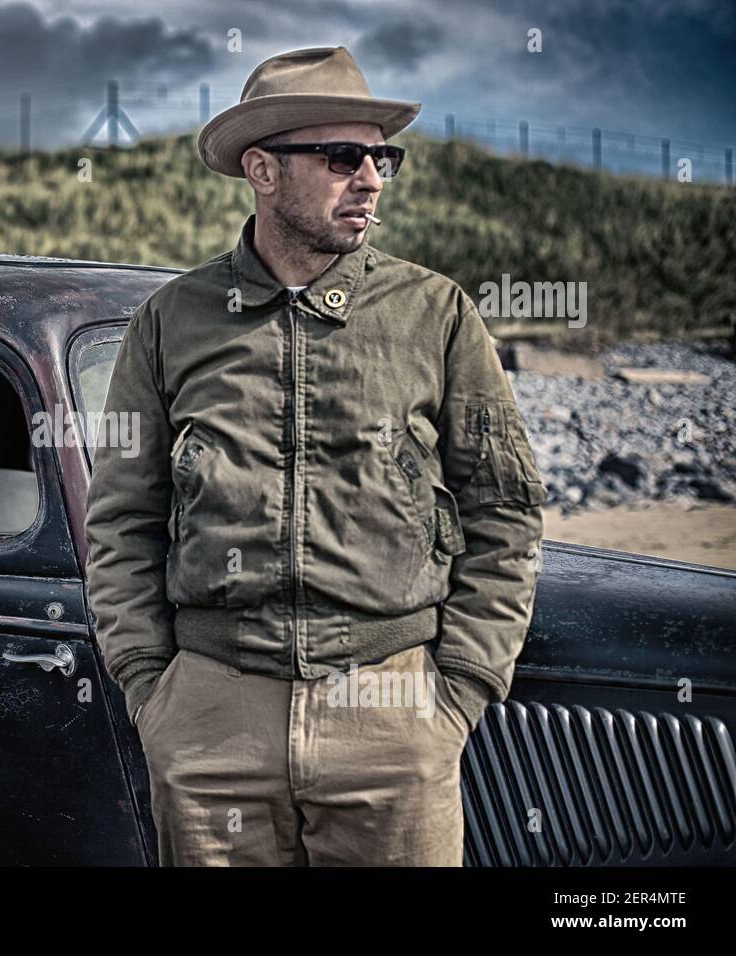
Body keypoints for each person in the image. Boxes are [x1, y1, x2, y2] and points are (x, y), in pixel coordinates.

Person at [84, 46, 547, 866]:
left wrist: (461, 692)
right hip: (211, 723)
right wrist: (153, 690)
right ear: (262, 169)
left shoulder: (434, 313)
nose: (370, 178)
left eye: (382, 157)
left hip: (394, 716)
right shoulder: (171, 321)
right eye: (342, 158)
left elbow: (505, 507)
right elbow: (121, 517)